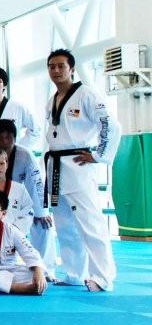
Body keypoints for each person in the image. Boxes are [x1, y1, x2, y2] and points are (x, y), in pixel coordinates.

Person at [44, 48, 120, 291]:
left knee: (90, 224)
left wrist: (99, 155)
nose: (56, 70)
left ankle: (103, 277)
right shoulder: (52, 100)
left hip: (78, 166)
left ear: (72, 69)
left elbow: (110, 124)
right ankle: (75, 273)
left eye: (61, 66)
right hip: (57, 167)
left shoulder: (87, 94)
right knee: (65, 225)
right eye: (52, 66)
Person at [0, 119, 54, 272]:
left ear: (15, 138)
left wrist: (41, 212)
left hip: (16, 200)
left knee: (43, 224)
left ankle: (44, 269)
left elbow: (35, 184)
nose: (4, 142)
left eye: (8, 137)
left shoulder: (26, 155)